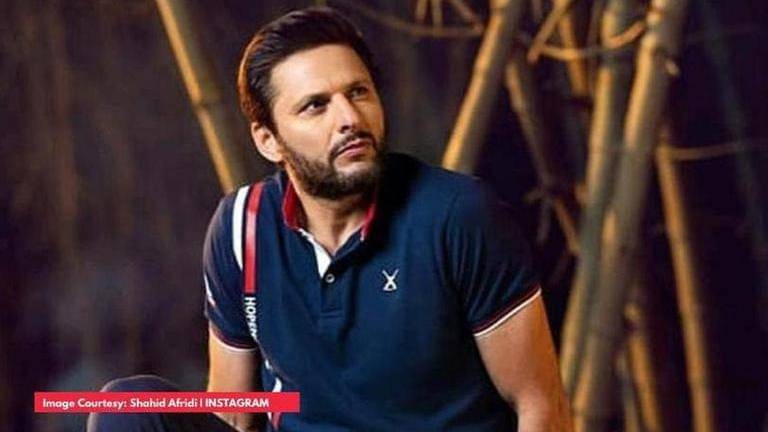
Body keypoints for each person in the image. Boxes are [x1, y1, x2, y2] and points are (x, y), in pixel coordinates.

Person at [88, 6, 572, 432]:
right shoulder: (242, 227)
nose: (349, 118)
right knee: (126, 409)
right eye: (315, 106)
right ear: (268, 140)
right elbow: (235, 415)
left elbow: (540, 406)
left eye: (358, 92)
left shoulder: (456, 216)